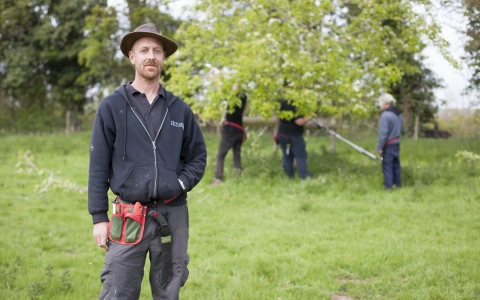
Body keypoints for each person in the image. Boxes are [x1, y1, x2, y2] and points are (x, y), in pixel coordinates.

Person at [88, 23, 207, 300]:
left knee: (168, 291)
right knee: (118, 290)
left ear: (164, 57)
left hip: (172, 214)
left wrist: (179, 182)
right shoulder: (111, 106)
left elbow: (198, 157)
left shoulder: (179, 109)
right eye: (144, 50)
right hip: (129, 213)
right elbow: (98, 165)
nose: (151, 56)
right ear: (132, 57)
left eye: (157, 50)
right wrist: (98, 218)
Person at [211, 92, 247, 185]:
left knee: (220, 155)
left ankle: (218, 178)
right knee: (236, 154)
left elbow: (222, 92)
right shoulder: (243, 98)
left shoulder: (231, 98)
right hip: (239, 131)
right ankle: (237, 177)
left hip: (230, 131)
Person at [276, 100, 312, 179]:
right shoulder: (296, 105)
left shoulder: (282, 104)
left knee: (287, 156)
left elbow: (278, 119)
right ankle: (304, 176)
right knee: (300, 156)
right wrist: (309, 117)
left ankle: (289, 175)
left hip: (282, 133)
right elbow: (299, 122)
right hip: (294, 135)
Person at [376, 93, 402, 190]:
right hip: (396, 143)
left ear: (385, 103)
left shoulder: (385, 115)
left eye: (381, 102)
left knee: (387, 167)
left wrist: (379, 147)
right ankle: (398, 186)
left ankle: (388, 188)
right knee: (396, 166)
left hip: (388, 144)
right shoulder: (398, 114)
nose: (380, 105)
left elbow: (383, 133)